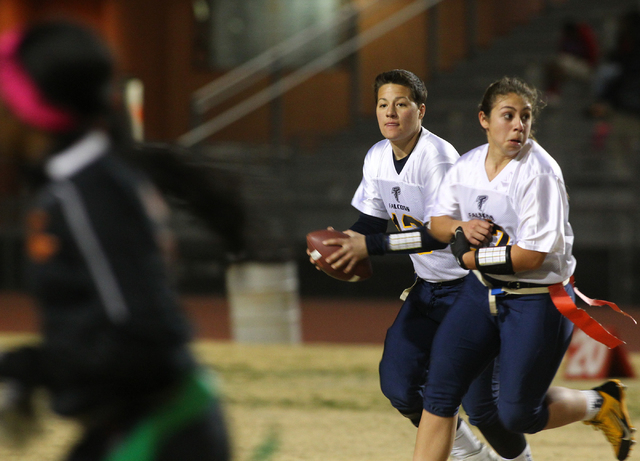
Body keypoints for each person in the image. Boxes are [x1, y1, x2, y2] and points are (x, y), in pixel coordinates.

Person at [0, 20, 230, 461]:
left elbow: (141, 336)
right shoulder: (91, 179)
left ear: (32, 108)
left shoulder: (85, 192)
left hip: (161, 431)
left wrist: (31, 366)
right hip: (141, 422)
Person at [312, 69, 533, 461]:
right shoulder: (377, 156)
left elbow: (441, 234)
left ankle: (522, 457)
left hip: (473, 289)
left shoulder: (438, 157)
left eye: (401, 104)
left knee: (483, 405)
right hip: (428, 288)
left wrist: (373, 247)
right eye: (383, 104)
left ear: (421, 110)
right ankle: (473, 455)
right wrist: (346, 245)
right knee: (398, 384)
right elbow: (370, 223)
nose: (390, 112)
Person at [412, 76, 635, 461]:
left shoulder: (540, 173)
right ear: (484, 119)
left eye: (526, 117)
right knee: (447, 394)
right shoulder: (466, 166)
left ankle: (601, 404)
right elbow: (437, 222)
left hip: (538, 299)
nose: (518, 125)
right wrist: (461, 228)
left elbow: (531, 257)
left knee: (516, 413)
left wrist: (470, 257)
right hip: (481, 292)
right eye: (508, 115)